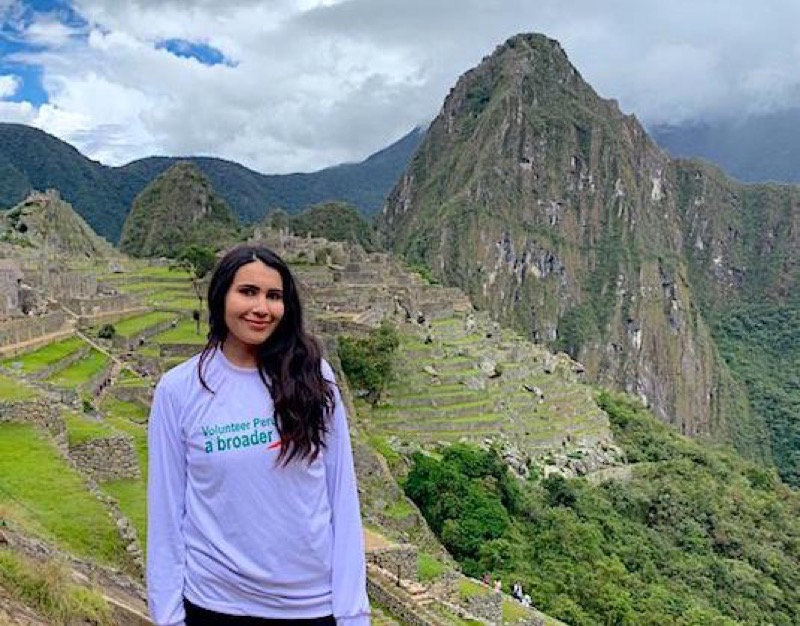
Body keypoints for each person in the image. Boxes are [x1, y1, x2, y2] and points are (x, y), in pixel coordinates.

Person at [146, 245, 371, 626]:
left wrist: (353, 613)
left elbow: (341, 496)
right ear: (221, 297)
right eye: (247, 292)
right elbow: (167, 513)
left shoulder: (314, 377)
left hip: (311, 606)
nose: (262, 307)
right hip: (216, 606)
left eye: (274, 296)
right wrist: (168, 618)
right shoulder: (179, 390)